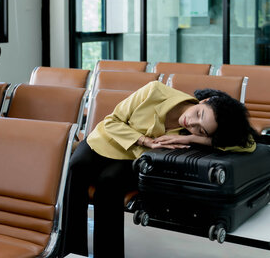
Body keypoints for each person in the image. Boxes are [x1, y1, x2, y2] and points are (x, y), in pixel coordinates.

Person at [60, 80, 258, 258]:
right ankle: (71, 252)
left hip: (136, 157)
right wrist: (145, 140)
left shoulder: (190, 131)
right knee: (76, 168)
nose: (192, 124)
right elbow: (112, 122)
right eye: (198, 114)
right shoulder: (154, 91)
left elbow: (248, 144)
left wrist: (191, 138)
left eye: (201, 129)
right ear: (204, 100)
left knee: (108, 183)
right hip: (106, 138)